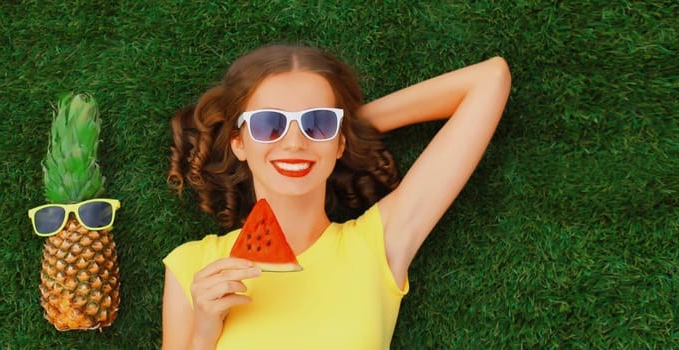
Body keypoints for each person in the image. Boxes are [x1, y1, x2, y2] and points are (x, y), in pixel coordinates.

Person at [162, 44, 511, 349]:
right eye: (269, 124)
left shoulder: (379, 244)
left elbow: (490, 79)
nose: (295, 142)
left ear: (340, 142)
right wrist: (204, 336)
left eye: (318, 122)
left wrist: (348, 128)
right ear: (239, 142)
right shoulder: (194, 266)